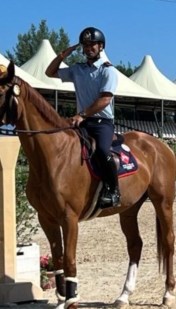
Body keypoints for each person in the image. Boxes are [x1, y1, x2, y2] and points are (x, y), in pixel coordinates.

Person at [46, 26, 121, 208]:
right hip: (82, 121)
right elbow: (50, 72)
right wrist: (63, 54)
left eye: (92, 45)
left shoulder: (108, 71)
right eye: (86, 45)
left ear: (101, 46)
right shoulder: (77, 69)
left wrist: (81, 115)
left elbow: (104, 100)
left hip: (102, 123)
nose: (89, 48)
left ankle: (113, 190)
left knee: (102, 152)